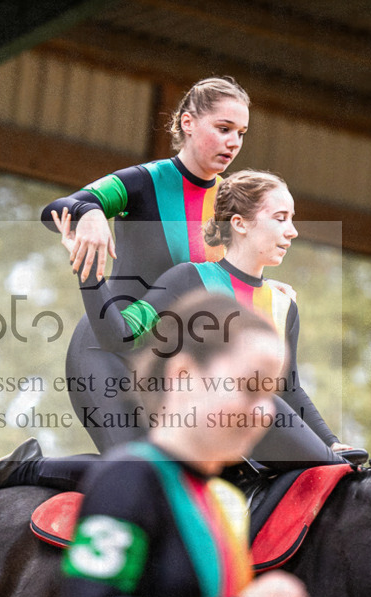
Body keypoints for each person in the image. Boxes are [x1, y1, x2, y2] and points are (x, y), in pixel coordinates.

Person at [0, 170, 362, 497]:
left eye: (292, 219)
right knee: (153, 473)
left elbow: (289, 387)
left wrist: (330, 440)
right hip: (192, 416)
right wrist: (89, 270)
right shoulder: (188, 279)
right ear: (239, 223)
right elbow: (122, 335)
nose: (292, 231)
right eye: (280, 218)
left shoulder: (285, 305)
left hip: (235, 426)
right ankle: (29, 469)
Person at [61, 290, 315, 597]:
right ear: (183, 374)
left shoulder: (224, 501)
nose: (266, 412)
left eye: (271, 394)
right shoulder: (128, 477)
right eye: (250, 387)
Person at [38, 76, 301, 451]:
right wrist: (90, 213)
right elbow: (55, 211)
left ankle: (33, 471)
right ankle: (25, 471)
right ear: (188, 123)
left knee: (178, 467)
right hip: (110, 345)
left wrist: (257, 286)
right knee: (135, 463)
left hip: (172, 364)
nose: (233, 142)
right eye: (223, 128)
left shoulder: (230, 200)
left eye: (241, 133)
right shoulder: (146, 181)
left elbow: (222, 272)